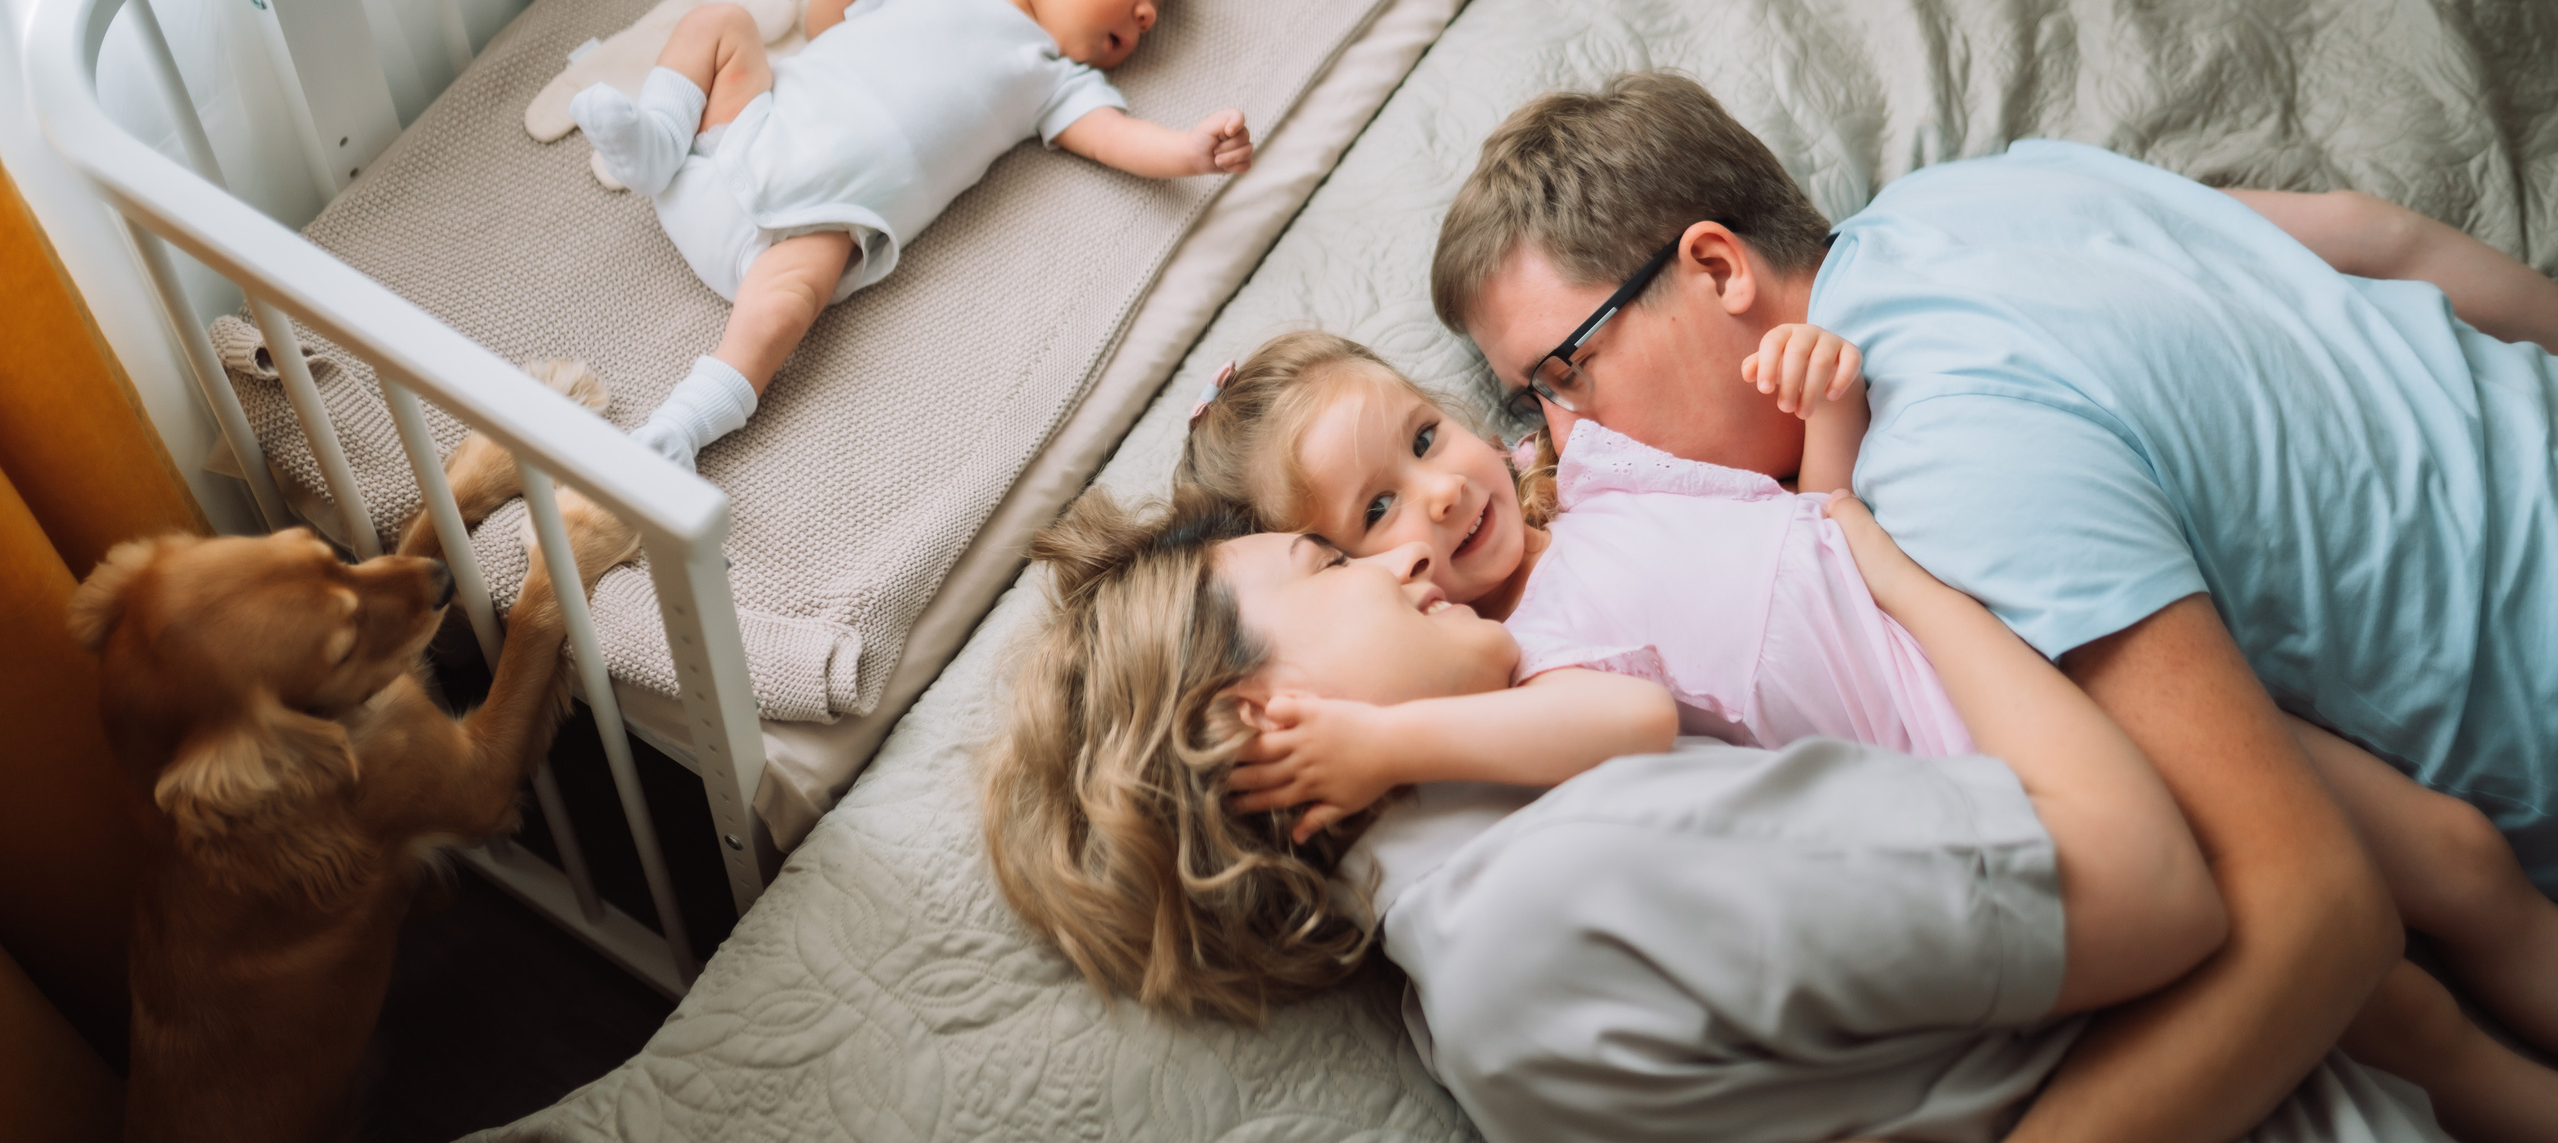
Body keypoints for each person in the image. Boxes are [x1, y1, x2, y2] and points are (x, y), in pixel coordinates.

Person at [1432, 70, 2558, 1140]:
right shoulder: (1967, 191)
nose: (1565, 443)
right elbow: (2380, 237)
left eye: (1565, 372)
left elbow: (2318, 909)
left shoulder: (1941, 471)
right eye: (1530, 404)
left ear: (1717, 267)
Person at [1183, 327, 2558, 1142]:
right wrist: (1394, 742)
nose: (1432, 503)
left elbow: (1811, 531)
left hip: (2025, 645)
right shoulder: (1525, 664)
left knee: (2446, 853)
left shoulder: (1592, 476)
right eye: (1369, 518)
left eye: (1425, 438)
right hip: (1985, 752)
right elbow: (1641, 717)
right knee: (2381, 1000)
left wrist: (1826, 414)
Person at [976, 487, 2430, 1141]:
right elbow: (2156, 881)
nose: (1402, 557)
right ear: (1253, 719)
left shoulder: (1468, 1008)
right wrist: (1903, 577)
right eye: (1326, 561)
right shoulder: (1586, 867)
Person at [568, 0, 1254, 469]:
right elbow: (825, 24)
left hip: (803, 233)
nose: (1146, 15)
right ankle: (656, 141)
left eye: (1153, 8)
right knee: (718, 23)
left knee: (790, 311)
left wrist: (1189, 150)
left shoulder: (1053, 76)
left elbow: (1114, 137)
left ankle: (679, 432)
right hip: (743, 133)